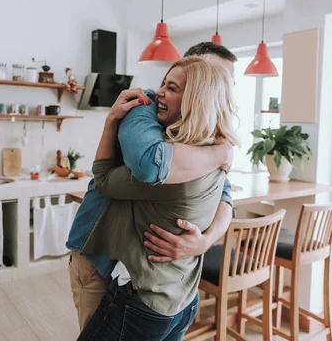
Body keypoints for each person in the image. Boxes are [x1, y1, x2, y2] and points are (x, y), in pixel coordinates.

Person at [66, 42, 239, 329]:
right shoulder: (146, 105)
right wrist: (219, 153)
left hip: (147, 273)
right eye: (214, 76)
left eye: (227, 83)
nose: (220, 88)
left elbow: (225, 196)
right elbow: (141, 168)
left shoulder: (202, 137)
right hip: (100, 250)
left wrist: (205, 241)